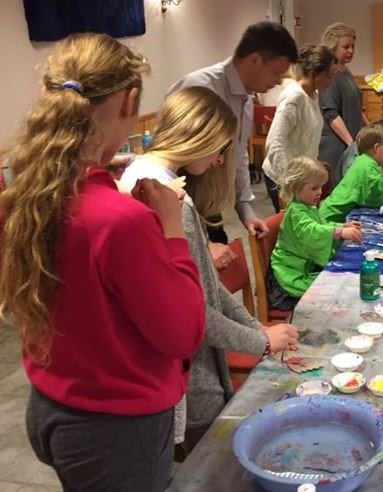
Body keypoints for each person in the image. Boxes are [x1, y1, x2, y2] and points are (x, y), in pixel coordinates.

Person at [0, 33, 205, 490]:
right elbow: (183, 333)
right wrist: (171, 231)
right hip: (114, 428)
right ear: (130, 101)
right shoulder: (120, 222)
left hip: (51, 404)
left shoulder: (23, 197)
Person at [120, 86, 300, 452]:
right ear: (197, 134)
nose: (220, 160)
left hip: (185, 367)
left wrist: (257, 329)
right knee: (207, 464)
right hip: (189, 375)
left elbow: (207, 284)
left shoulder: (153, 177)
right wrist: (260, 340)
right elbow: (194, 311)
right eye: (219, 147)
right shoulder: (172, 200)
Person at [169, 21, 299, 269]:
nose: (278, 82)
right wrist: (202, 243)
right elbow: (173, 163)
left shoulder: (247, 99)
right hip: (181, 210)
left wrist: (246, 212)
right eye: (276, 73)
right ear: (254, 60)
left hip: (211, 210)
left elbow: (237, 157)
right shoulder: (200, 87)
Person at [269, 157, 364, 310]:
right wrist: (340, 232)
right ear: (295, 188)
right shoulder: (295, 212)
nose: (320, 192)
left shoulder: (307, 208)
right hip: (290, 276)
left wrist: (342, 225)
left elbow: (321, 224)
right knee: (337, 292)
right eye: (314, 188)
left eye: (321, 187)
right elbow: (311, 231)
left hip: (305, 267)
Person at [262, 44, 337, 212]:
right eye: (329, 76)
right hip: (285, 178)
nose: (331, 82)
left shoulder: (314, 94)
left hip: (303, 178)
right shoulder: (294, 97)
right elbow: (274, 144)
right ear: (314, 73)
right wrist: (291, 185)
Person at [320, 125, 383, 223]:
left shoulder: (363, 161)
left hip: (331, 211)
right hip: (333, 218)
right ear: (376, 148)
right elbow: (378, 195)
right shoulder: (368, 165)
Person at [319, 22, 367, 187]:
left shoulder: (345, 70)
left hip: (350, 141)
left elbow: (355, 104)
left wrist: (368, 127)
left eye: (353, 46)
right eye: (346, 47)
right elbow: (331, 113)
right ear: (333, 47)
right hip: (336, 145)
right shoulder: (328, 73)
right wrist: (350, 143)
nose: (351, 51)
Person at [336, 117, 383, 182]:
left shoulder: (366, 152)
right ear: (377, 147)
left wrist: (381, 173)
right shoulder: (352, 162)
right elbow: (360, 185)